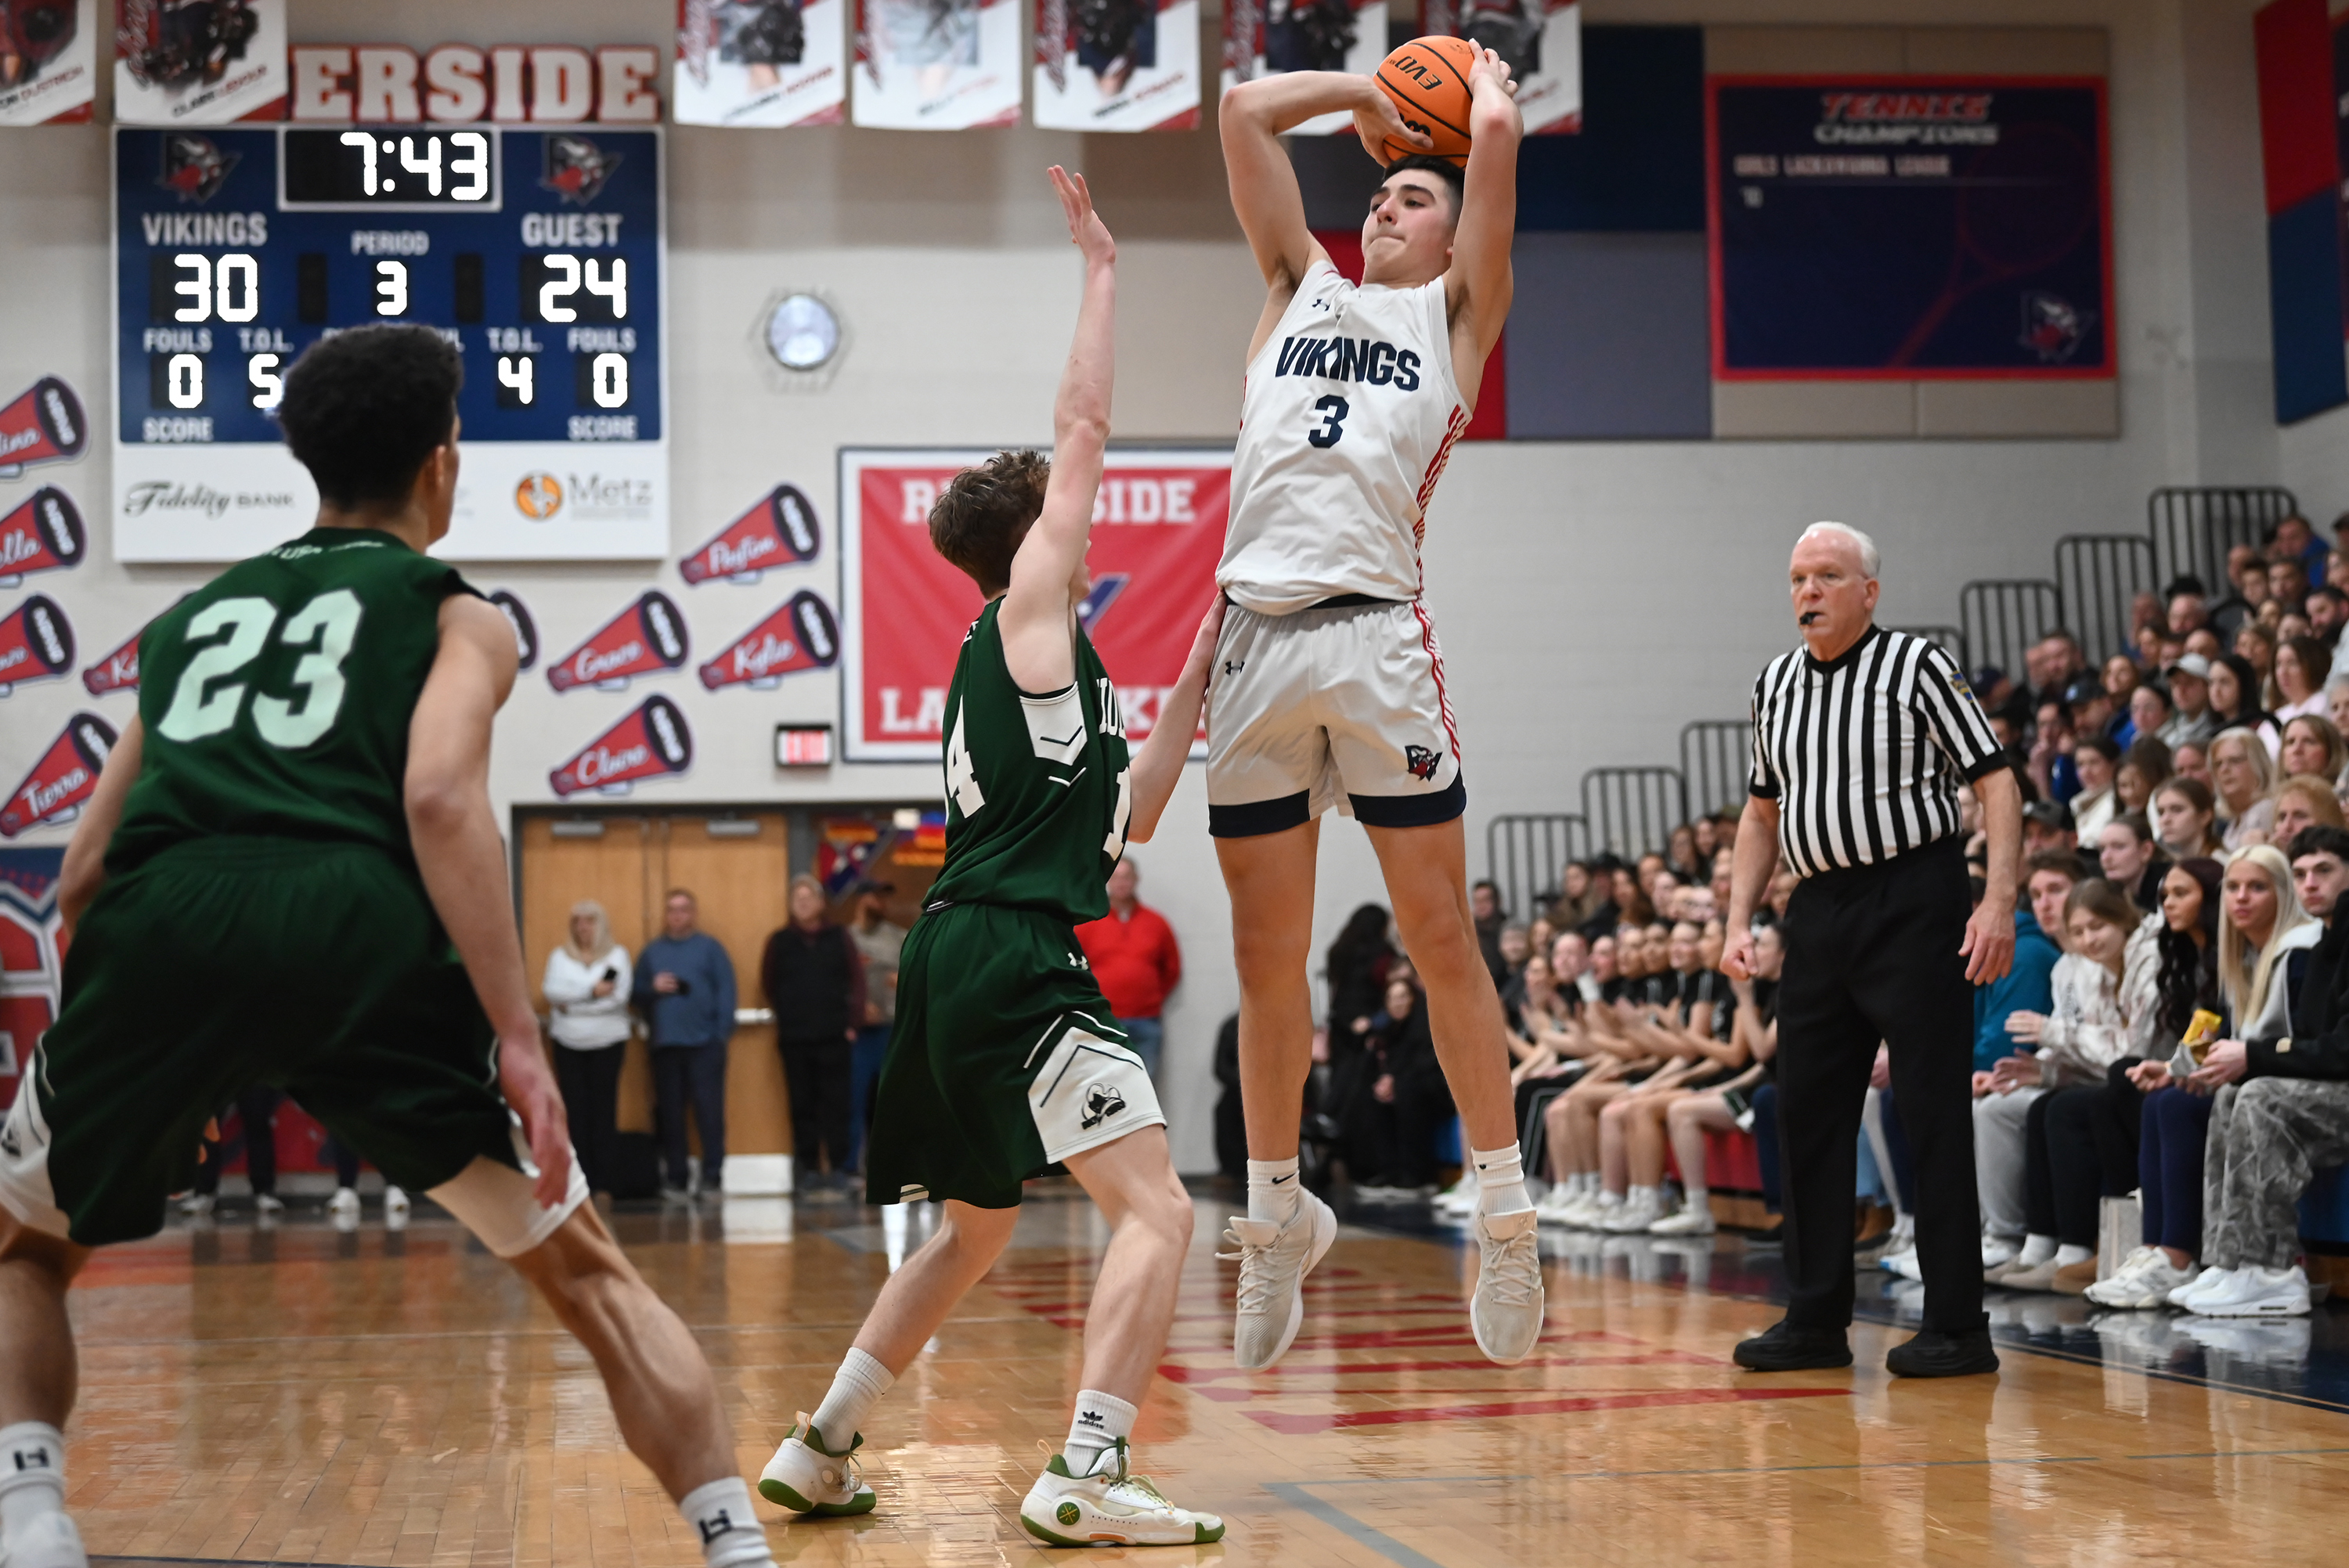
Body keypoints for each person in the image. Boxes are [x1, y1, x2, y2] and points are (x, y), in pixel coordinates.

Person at [0, 325, 778, 1568]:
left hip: (162, 916)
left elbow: (81, 872)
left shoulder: (194, 619)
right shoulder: (457, 610)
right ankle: (733, 1539)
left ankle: (30, 1513)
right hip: (352, 923)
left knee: (29, 1242)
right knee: (587, 1274)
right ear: (442, 463)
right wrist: (517, 1033)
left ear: (303, 461)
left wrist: (163, 1054)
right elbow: (437, 800)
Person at [757, 169, 1226, 1546]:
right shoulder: (1026, 611)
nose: (1077, 504)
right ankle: (1088, 1462)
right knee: (1159, 1212)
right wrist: (1101, 270)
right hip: (1013, 951)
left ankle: (823, 1442)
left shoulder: (1045, 674)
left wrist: (1200, 659)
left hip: (971, 948)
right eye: (1060, 508)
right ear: (1029, 544)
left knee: (973, 1229)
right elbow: (1082, 420)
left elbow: (1128, 820)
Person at [1207, 45, 1543, 1372]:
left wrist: (1485, 98)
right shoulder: (1297, 288)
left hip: (1375, 642)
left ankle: (1509, 1218)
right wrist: (1359, 90)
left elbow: (1498, 147)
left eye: (1416, 198)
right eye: (1382, 195)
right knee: (1263, 959)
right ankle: (1277, 1214)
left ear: (1453, 234)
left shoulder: (1454, 317)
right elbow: (1239, 112)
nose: (1387, 208)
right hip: (1253, 642)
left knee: (1440, 937)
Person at [1723, 521, 2019, 1380]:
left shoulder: (1918, 666)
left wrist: (1996, 898)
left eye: (1825, 576)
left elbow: (1994, 778)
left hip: (1914, 897)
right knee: (1805, 1108)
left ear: (1868, 591)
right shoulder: (1773, 684)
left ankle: (1958, 1323)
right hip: (1818, 909)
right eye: (1796, 578)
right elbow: (1760, 811)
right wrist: (1739, 918)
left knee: (1929, 1109)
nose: (1806, 592)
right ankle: (1815, 1316)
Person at [2104, 845, 2320, 1310]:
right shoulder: (2234, 957)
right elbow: (2211, 1027)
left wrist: (2217, 1067)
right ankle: (2161, 1250)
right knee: (2160, 1095)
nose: (2241, 899)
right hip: (2247, 1075)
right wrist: (2174, 1067)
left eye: (2256, 888)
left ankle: (2184, 1254)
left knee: (2180, 1105)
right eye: (2235, 889)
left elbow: (2303, 1042)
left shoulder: (2298, 952)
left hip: (2279, 1080)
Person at [2178, 825, 2349, 1315]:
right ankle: (2229, 1261)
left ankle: (2273, 1269)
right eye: (2300, 874)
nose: (2310, 883)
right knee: (2233, 1094)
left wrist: (2255, 1057)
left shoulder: (2321, 944)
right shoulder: (2324, 943)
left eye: (2324, 871)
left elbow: (2340, 1050)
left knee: (2260, 1093)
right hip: (2332, 1091)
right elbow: (2315, 1044)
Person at [1981, 878, 2159, 1292]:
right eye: (2077, 932)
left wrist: (2053, 1034)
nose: (2087, 939)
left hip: (2150, 1075)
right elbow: (2091, 1048)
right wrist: (2042, 1072)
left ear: (2123, 921)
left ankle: (2082, 1244)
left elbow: (2130, 1050)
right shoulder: (2083, 968)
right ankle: (2041, 1241)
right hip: (2115, 1077)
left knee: (2067, 1109)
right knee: (2044, 1105)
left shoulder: (2149, 959)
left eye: (2097, 927)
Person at [761, 874, 865, 1196]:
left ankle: (838, 1167)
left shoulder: (840, 937)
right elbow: (769, 984)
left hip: (835, 1034)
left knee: (837, 1104)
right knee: (801, 1104)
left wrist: (853, 1023)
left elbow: (856, 980)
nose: (803, 903)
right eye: (798, 899)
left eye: (809, 898)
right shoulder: (779, 941)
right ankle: (808, 1169)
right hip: (795, 1037)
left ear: (821, 903)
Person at [633, 889, 739, 1201]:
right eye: (671, 910)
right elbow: (635, 993)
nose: (677, 915)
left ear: (693, 913)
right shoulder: (652, 952)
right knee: (671, 1115)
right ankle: (676, 1176)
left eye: (683, 910)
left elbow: (727, 990)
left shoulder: (711, 949)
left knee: (709, 1112)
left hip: (705, 1044)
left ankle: (712, 1176)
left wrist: (720, 1033)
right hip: (666, 1045)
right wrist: (651, 989)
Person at [543, 899, 633, 1198]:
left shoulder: (617, 956)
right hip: (568, 1043)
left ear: (601, 924)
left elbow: (617, 999)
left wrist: (573, 1004)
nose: (583, 927)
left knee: (603, 1111)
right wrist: (591, 993)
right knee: (574, 1111)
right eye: (578, 921)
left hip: (608, 1042)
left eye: (589, 921)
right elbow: (552, 993)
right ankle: (578, 1180)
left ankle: (605, 1182)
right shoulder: (559, 957)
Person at [1335, 978, 1452, 1198]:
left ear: (1413, 999)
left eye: (1402, 997)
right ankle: (1388, 1170)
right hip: (1403, 1082)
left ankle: (1418, 1175)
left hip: (1433, 1086)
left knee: (1407, 1090)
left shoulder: (1425, 1024)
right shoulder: (1388, 1030)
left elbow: (1427, 1063)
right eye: (1391, 998)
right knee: (1370, 1096)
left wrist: (1394, 1079)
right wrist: (1386, 1080)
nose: (1397, 1003)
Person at [1076, 858, 1183, 1079]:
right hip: (1103, 1022)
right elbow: (1076, 968)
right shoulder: (1088, 922)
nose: (1121, 883)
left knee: (1144, 1086)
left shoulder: (1156, 923)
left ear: (1136, 880)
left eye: (1126, 877)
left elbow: (1171, 969)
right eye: (1115, 877)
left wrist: (1150, 998)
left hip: (1147, 1023)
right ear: (1107, 881)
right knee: (1105, 1088)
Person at [843, 879, 906, 1173]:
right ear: (862, 899)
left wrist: (901, 981)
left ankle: (891, 1167)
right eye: (877, 897)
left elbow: (922, 980)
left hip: (891, 1030)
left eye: (885, 898)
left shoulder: (899, 938)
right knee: (852, 1104)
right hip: (856, 1034)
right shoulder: (844, 939)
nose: (882, 904)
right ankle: (851, 1169)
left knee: (891, 1106)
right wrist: (856, 1007)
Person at [2210, 727, 2275, 850]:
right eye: (2218, 764)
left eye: (2235, 761)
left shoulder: (2266, 810)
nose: (2224, 770)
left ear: (2258, 763)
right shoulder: (2234, 821)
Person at [2152, 777, 2224, 860]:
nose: (2165, 820)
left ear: (2204, 817)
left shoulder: (2223, 864)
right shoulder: (2174, 865)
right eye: (2161, 812)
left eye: (2177, 810)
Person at [2070, 736, 2121, 849]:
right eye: (2080, 764)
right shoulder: (2077, 803)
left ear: (2113, 765)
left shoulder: (2117, 803)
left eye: (2094, 763)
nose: (2086, 772)